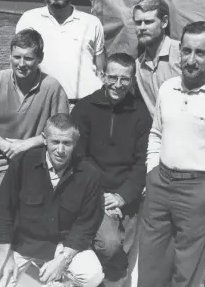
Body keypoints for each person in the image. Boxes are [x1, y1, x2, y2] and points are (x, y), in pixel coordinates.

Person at [138, 21, 205, 286]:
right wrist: (151, 170)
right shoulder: (167, 89)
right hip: (160, 184)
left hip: (200, 189)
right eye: (186, 51)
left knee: (186, 271)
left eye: (200, 53)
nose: (191, 60)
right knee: (149, 265)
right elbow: (156, 133)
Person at [0, 29, 70, 287]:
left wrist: (27, 144)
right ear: (9, 55)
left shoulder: (51, 88)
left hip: (14, 166)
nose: (21, 64)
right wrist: (3, 143)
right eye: (16, 57)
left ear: (40, 58)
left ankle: (3, 262)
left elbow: (61, 129)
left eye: (28, 58)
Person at [0, 113, 104, 287]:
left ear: (76, 142)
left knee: (92, 276)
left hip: (62, 245)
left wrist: (63, 260)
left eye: (67, 143)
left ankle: (62, 282)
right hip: (23, 244)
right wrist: (7, 256)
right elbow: (3, 208)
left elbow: (87, 222)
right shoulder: (22, 163)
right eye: (55, 142)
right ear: (44, 139)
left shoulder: (89, 174)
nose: (60, 150)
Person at [70, 53, 152, 286]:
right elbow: (79, 157)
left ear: (133, 79)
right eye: (112, 77)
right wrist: (101, 196)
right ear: (102, 75)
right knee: (109, 243)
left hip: (126, 192)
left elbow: (142, 162)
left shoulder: (141, 113)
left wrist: (122, 197)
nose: (118, 85)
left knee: (122, 255)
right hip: (92, 191)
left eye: (124, 79)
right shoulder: (85, 108)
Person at [16, 0, 105, 108]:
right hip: (44, 105)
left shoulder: (92, 22)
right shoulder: (29, 20)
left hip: (87, 106)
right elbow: (19, 64)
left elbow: (101, 70)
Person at [134, 0, 205, 118]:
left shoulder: (186, 54)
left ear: (164, 22)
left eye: (148, 22)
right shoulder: (138, 66)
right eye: (138, 22)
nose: (142, 28)